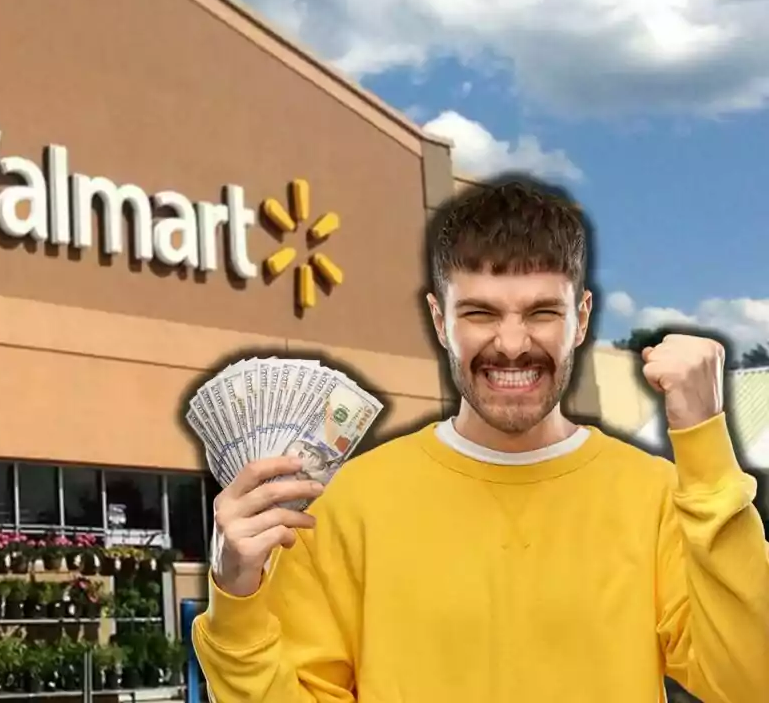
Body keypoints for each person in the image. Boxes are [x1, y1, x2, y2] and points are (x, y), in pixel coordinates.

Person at [193, 180, 769, 703]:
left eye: (543, 311)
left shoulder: (656, 496)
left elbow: (747, 683)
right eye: (480, 313)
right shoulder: (347, 505)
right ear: (440, 320)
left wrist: (707, 449)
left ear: (583, 316)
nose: (513, 343)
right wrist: (235, 597)